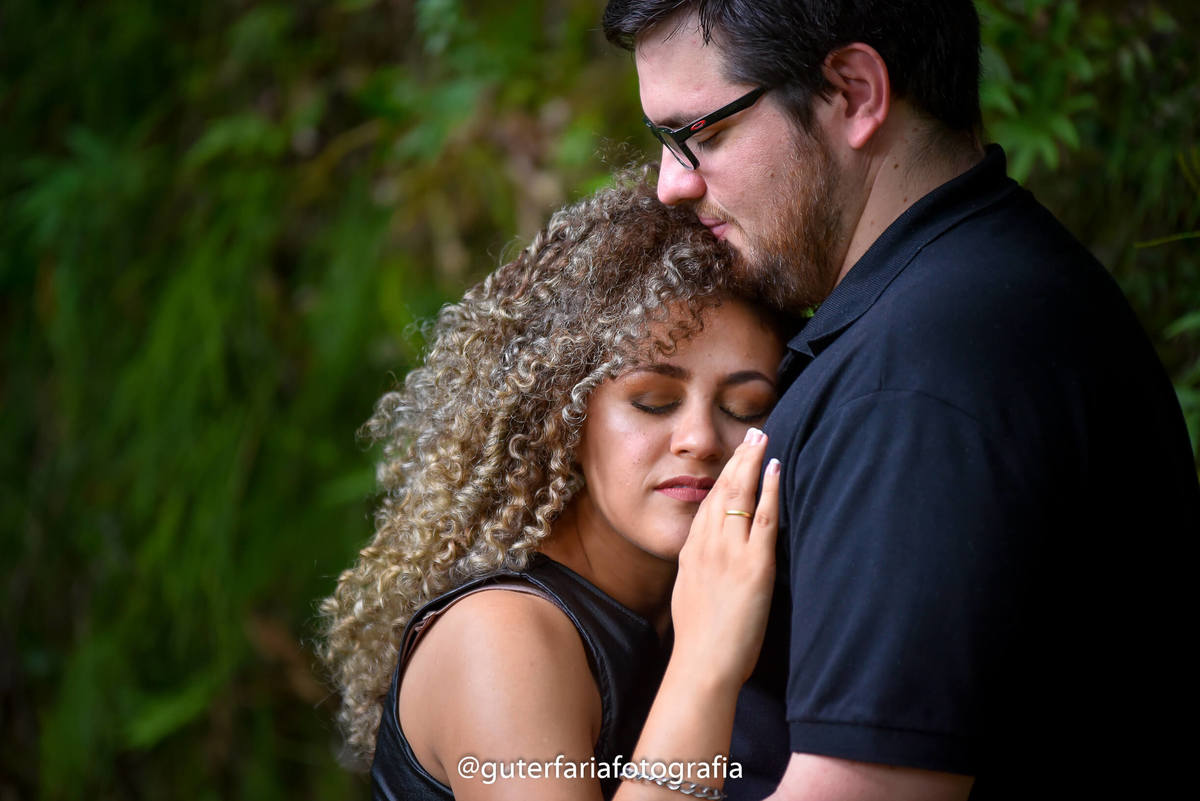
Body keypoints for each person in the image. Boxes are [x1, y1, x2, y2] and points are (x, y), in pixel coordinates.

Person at [601, 2, 1200, 800]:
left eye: (700, 135)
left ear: (854, 91)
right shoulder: (986, 298)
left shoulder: (916, 384)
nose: (672, 183)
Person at [320, 171, 794, 800]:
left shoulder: (696, 607)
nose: (701, 439)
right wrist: (707, 663)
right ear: (564, 419)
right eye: (653, 401)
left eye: (745, 407)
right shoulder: (501, 635)